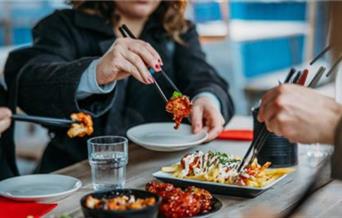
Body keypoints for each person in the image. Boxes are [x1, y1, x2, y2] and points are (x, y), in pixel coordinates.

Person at [4, 1, 234, 172]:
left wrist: (207, 99)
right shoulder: (63, 25)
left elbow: (204, 77)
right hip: (74, 172)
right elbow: (28, 81)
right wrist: (95, 72)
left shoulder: (179, 30)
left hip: (160, 170)